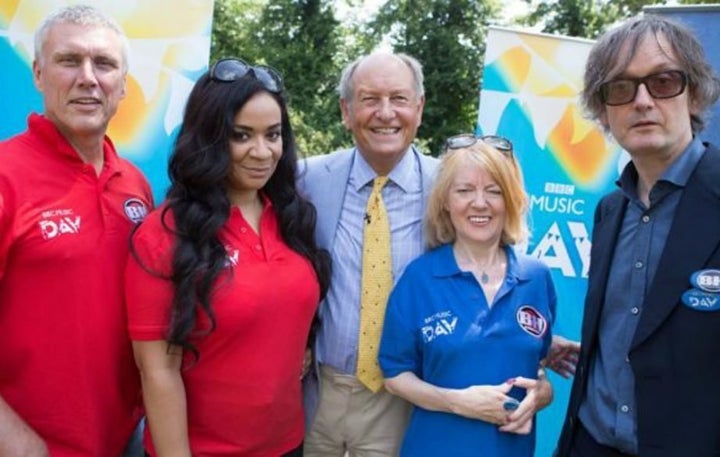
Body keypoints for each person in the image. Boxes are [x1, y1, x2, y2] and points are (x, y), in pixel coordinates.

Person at [124, 57, 331, 457]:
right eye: (241, 135)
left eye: (273, 135)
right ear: (209, 137)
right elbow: (157, 371)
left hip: (288, 445)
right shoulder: (166, 233)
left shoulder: (292, 216)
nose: (262, 151)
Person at [555, 14, 720, 457]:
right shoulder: (609, 210)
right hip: (589, 443)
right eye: (622, 88)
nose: (642, 101)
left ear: (696, 94)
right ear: (604, 110)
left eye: (664, 81)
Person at [0, 4, 152, 456]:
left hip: (127, 437)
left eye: (104, 64)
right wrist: (14, 440)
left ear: (123, 85)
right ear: (39, 75)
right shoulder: (6, 175)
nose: (88, 77)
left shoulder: (136, 185)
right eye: (69, 60)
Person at [378, 136, 556, 457]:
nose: (479, 203)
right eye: (464, 190)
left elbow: (535, 364)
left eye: (494, 190)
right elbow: (394, 375)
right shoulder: (419, 279)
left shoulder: (537, 278)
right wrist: (458, 403)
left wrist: (542, 391)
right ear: (446, 201)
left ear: (512, 200)